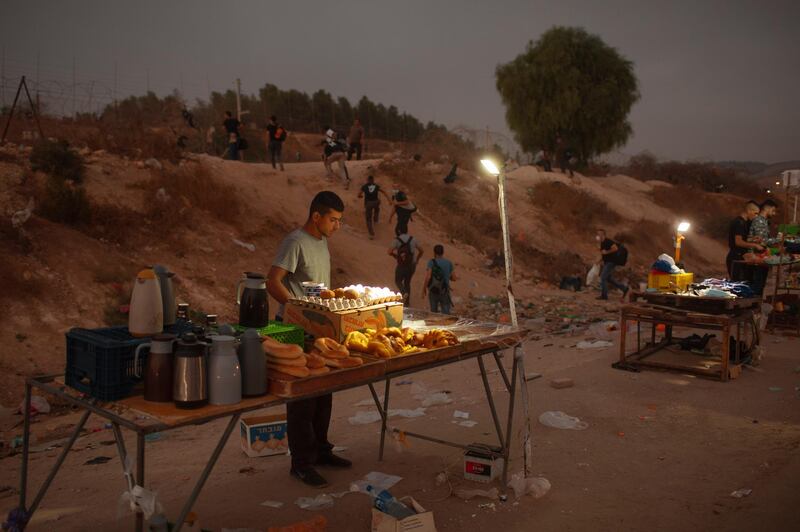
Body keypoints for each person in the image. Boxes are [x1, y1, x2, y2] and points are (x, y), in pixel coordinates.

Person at [266, 191, 351, 488]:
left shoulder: (322, 242)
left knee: (323, 393)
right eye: (333, 220)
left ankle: (322, 451)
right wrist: (294, 307)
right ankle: (301, 463)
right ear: (317, 217)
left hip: (318, 327)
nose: (337, 226)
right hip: (291, 328)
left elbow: (312, 287)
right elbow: (273, 280)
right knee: (302, 399)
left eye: (339, 221)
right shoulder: (294, 242)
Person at [727, 200, 763, 281]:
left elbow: (743, 239)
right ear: (749, 210)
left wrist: (753, 240)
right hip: (735, 257)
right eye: (755, 213)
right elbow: (738, 242)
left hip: (741, 257)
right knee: (737, 286)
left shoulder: (745, 222)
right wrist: (755, 245)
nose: (756, 216)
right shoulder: (739, 223)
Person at [747, 199, 777, 294]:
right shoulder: (759, 221)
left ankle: (756, 305)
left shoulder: (763, 221)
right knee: (758, 285)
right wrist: (779, 239)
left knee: (760, 284)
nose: (774, 213)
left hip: (760, 257)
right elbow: (761, 241)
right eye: (773, 210)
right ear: (767, 208)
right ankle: (753, 306)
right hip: (757, 257)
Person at [389, 233, 423, 305]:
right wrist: (417, 259)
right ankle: (407, 303)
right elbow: (421, 250)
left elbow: (389, 252)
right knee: (407, 282)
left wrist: (396, 256)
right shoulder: (413, 239)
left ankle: (404, 293)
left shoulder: (396, 240)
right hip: (411, 265)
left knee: (398, 281)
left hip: (402, 265)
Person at [423, 244, 457, 314]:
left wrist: (424, 288)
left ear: (434, 252)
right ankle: (445, 324)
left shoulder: (431, 262)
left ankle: (434, 324)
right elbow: (454, 278)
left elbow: (428, 277)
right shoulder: (448, 263)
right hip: (444, 291)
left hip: (433, 290)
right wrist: (448, 276)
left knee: (433, 312)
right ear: (443, 252)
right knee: (446, 314)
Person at [596, 229, 629, 300]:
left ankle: (604, 295)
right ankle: (624, 288)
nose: (598, 236)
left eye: (599, 234)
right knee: (608, 278)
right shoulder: (602, 243)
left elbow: (615, 248)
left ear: (603, 235)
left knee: (603, 277)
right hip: (607, 262)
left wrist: (607, 252)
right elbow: (604, 254)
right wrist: (600, 260)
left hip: (611, 262)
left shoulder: (608, 241)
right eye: (597, 234)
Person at [358, 175, 390, 239]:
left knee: (368, 219)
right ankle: (376, 220)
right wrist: (389, 200)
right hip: (376, 202)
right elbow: (384, 192)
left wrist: (360, 196)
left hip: (369, 203)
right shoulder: (376, 186)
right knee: (377, 209)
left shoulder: (364, 186)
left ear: (367, 180)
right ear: (373, 180)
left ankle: (371, 234)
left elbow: (359, 194)